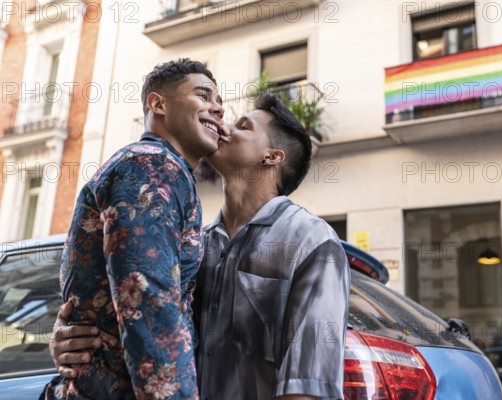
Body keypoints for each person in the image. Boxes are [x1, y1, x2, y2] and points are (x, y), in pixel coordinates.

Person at [50, 93, 350, 400]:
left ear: (272, 157)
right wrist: (69, 338)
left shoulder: (312, 242)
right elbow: (145, 322)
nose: (223, 127)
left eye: (242, 126)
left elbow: (309, 385)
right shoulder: (193, 245)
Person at [44, 58, 225, 399]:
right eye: (204, 96)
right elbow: (148, 299)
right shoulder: (151, 165)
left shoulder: (166, 170)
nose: (218, 110)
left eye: (219, 103)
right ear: (158, 104)